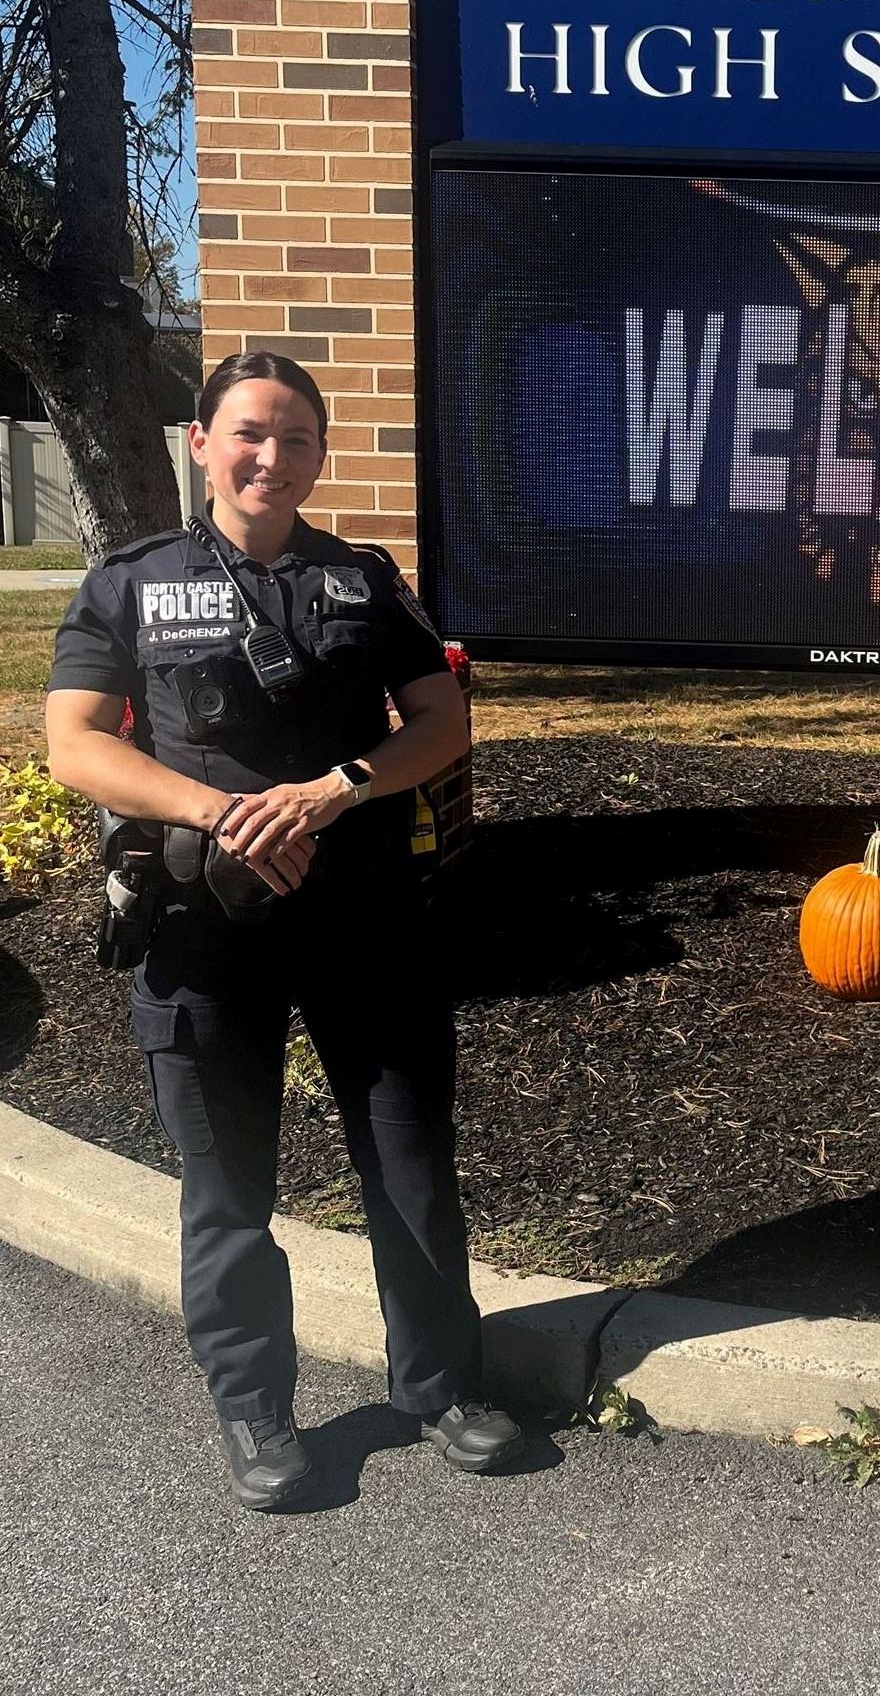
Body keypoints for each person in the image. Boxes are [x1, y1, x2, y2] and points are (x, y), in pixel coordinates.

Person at [45, 352, 522, 1509]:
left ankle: (442, 1387)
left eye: (298, 437)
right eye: (251, 433)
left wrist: (336, 788)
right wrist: (221, 814)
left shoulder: (362, 580)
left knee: (410, 1164)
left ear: (319, 455)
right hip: (204, 930)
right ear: (201, 443)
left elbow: (441, 721)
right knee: (228, 1188)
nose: (273, 456)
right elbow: (74, 741)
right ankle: (255, 1405)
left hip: (368, 922)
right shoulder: (133, 582)